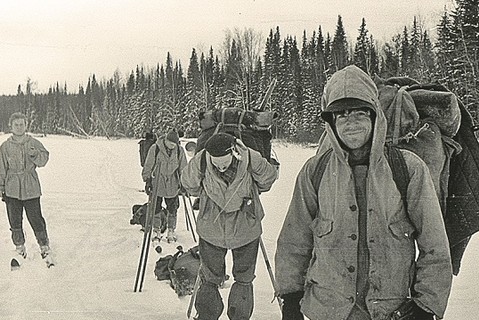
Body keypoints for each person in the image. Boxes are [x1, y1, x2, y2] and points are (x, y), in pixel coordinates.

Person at [275, 65, 453, 320]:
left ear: (374, 116)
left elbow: (434, 244)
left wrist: (426, 306)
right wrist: (291, 299)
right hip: (327, 310)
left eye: (360, 113)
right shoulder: (315, 171)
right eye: (342, 115)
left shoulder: (408, 168)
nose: (351, 123)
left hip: (389, 312)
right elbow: (294, 241)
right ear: (332, 123)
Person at [181, 133, 278, 320]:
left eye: (224, 163)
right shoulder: (201, 160)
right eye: (216, 164)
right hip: (223, 230)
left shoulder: (249, 158)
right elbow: (188, 184)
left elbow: (268, 178)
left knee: (240, 277)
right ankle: (209, 316)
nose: (221, 167)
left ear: (234, 152)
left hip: (240, 229)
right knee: (214, 278)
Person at [0, 112, 51, 259]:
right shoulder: (5, 146)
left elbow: (44, 160)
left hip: (31, 187)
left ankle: (44, 246)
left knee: (36, 218)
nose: (19, 127)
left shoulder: (33, 143)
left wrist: (35, 155)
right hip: (12, 188)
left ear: (26, 125)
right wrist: (0, 187)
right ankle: (19, 247)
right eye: (16, 125)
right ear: (11, 126)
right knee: (14, 220)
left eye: (22, 124)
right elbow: (1, 168)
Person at [142, 129, 187, 242]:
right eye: (171, 143)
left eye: (174, 144)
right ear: (166, 140)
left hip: (173, 183)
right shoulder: (155, 148)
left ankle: (171, 230)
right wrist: (147, 179)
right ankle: (156, 229)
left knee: (173, 208)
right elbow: (148, 164)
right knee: (156, 207)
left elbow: (183, 167)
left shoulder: (179, 151)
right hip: (157, 182)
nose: (172, 146)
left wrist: (184, 182)